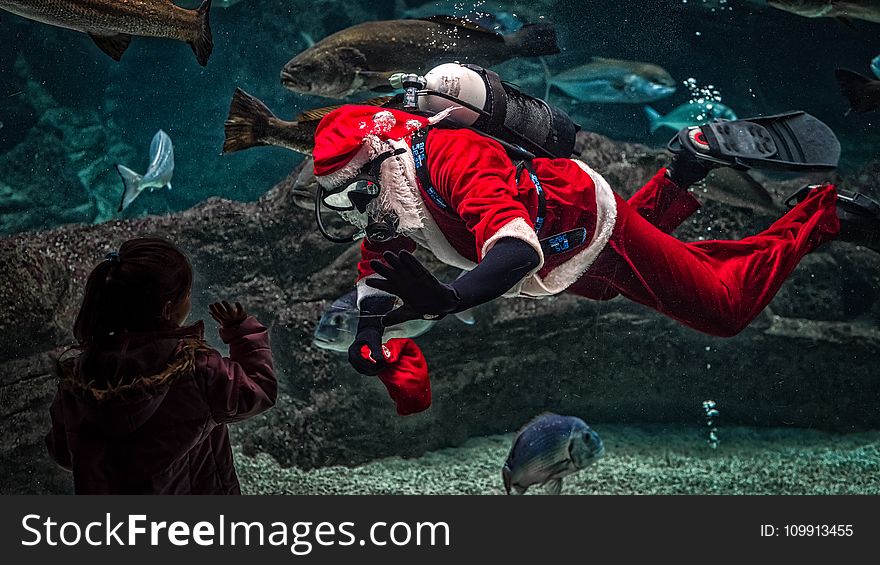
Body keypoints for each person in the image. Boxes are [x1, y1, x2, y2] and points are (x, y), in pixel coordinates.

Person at [309, 105, 880, 376]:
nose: (356, 212)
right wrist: (367, 334)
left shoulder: (456, 157)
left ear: (383, 164)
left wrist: (452, 299)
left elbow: (515, 251)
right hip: (570, 257)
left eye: (354, 193)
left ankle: (823, 212)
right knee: (614, 288)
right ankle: (685, 169)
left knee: (724, 309)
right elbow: (375, 271)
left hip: (585, 223)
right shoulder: (391, 199)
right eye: (338, 202)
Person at [45, 237, 277, 494]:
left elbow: (64, 452)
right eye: (187, 294)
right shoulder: (197, 370)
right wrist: (242, 334)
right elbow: (258, 391)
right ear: (168, 309)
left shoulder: (79, 377)